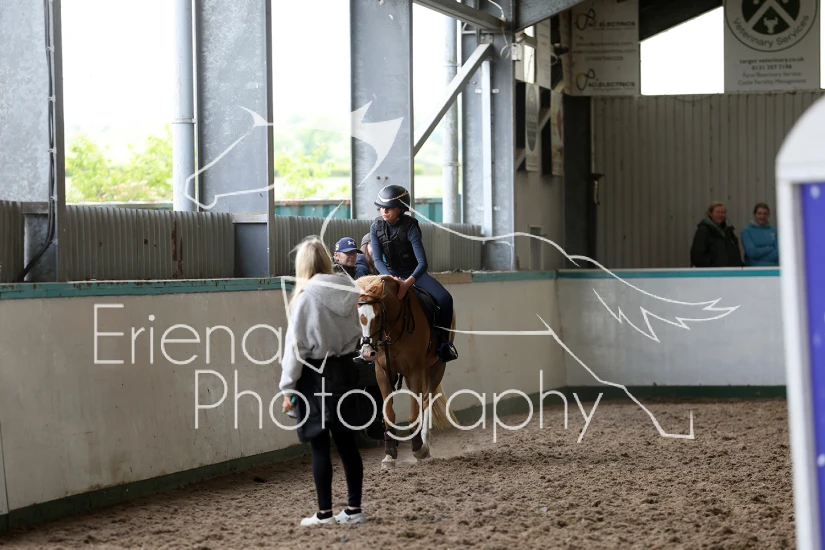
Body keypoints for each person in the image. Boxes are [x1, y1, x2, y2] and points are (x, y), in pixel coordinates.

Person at [279, 236, 368, 526]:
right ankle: (354, 509)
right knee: (347, 443)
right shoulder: (348, 291)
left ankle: (325, 513)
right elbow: (357, 334)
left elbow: (296, 347)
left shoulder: (305, 297)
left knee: (319, 445)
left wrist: (287, 387)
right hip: (346, 370)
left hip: (315, 376)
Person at [369, 184, 458, 363]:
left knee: (445, 299)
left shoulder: (410, 227)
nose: (384, 211)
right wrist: (390, 278)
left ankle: (443, 344)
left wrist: (407, 283)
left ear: (400, 209)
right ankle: (367, 346)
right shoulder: (375, 227)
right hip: (389, 274)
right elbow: (377, 260)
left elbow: (423, 263)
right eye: (381, 207)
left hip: (414, 274)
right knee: (367, 301)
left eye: (389, 208)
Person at [690, 201, 744, 268]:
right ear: (710, 214)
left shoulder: (729, 232)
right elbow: (697, 255)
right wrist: (711, 265)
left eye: (723, 212)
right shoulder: (703, 231)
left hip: (731, 271)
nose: (721, 215)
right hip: (713, 272)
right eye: (718, 212)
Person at [741, 202, 779, 267]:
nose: (762, 216)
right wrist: (770, 248)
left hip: (774, 269)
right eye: (759, 213)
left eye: (765, 214)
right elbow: (752, 253)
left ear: (768, 215)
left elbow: (779, 253)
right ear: (754, 214)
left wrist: (759, 258)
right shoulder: (746, 231)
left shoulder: (774, 231)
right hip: (755, 270)